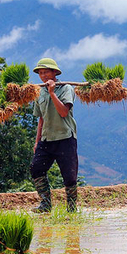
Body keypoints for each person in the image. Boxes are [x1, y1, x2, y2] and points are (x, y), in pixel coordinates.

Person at [29, 58, 79, 213]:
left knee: (69, 176)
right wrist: (37, 141)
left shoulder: (66, 89)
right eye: (40, 73)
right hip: (47, 139)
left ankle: (71, 208)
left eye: (46, 72)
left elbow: (64, 112)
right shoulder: (39, 92)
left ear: (55, 73)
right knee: (36, 168)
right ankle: (45, 204)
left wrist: (52, 92)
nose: (43, 76)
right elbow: (41, 118)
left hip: (65, 137)